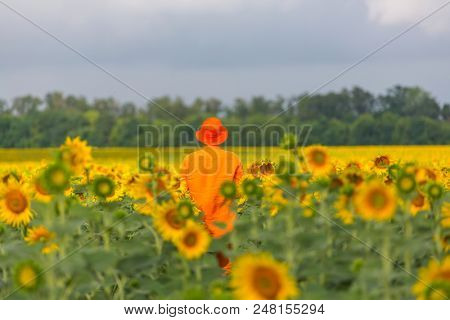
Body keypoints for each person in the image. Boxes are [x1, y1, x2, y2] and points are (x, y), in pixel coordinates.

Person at [180, 117, 243, 240]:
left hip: (197, 224)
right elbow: (240, 192)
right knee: (225, 256)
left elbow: (181, 192)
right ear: (221, 137)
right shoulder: (234, 159)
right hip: (225, 224)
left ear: (202, 137)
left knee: (201, 258)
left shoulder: (189, 160)